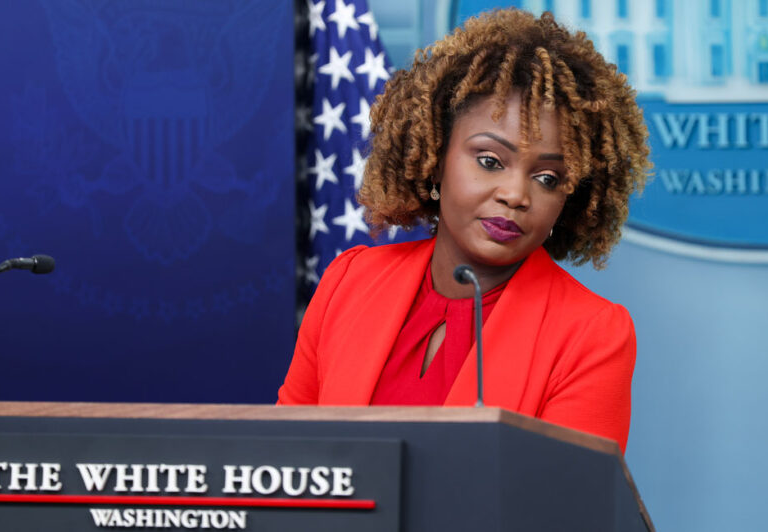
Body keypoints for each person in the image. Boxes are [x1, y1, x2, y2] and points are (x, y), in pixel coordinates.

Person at [278, 8, 650, 452]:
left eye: (547, 178)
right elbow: (289, 464)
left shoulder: (591, 334)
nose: (516, 194)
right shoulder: (349, 282)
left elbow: (566, 505)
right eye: (490, 161)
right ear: (435, 160)